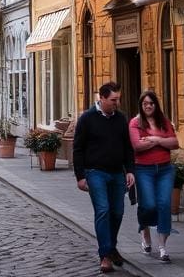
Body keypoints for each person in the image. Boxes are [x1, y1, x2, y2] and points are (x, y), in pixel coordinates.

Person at [72, 81, 136, 274]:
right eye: (113, 100)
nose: (116, 103)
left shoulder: (120, 119)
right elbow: (78, 149)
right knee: (103, 210)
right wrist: (80, 176)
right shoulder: (87, 118)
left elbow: (127, 147)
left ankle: (110, 246)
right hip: (95, 172)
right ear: (102, 98)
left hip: (117, 172)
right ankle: (105, 256)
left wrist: (130, 170)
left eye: (118, 99)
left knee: (117, 212)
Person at [129, 90, 179, 262]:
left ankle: (163, 247)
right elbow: (137, 146)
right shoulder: (135, 123)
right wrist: (161, 141)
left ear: (156, 105)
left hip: (165, 169)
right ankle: (145, 232)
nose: (148, 106)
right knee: (148, 205)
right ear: (141, 106)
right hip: (143, 170)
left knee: (164, 204)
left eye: (151, 103)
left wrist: (154, 140)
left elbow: (175, 143)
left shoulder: (164, 122)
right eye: (145, 104)